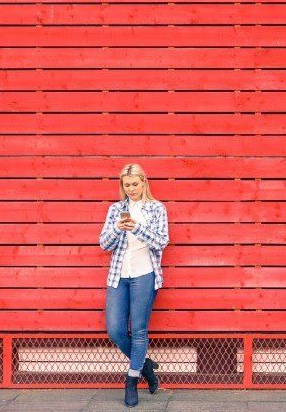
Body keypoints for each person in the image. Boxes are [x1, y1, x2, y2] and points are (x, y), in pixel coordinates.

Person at [99, 164, 169, 407]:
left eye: (135, 184)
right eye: (127, 185)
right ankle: (146, 366)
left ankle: (131, 379)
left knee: (139, 330)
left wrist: (137, 228)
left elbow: (161, 241)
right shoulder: (116, 209)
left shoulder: (156, 208)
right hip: (119, 275)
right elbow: (103, 244)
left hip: (145, 274)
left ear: (144, 182)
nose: (131, 189)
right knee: (115, 330)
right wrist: (118, 229)